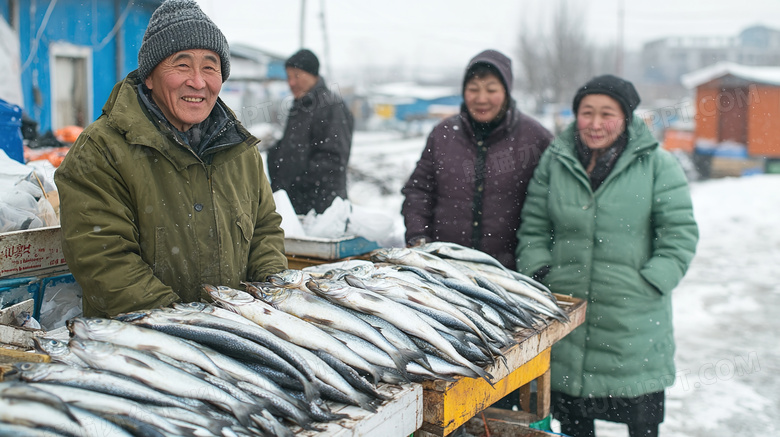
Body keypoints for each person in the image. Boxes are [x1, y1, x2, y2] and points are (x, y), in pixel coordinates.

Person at [54, 0, 287, 318]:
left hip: (238, 341)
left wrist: (269, 300)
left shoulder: (239, 150)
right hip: (141, 350)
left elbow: (265, 230)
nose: (198, 81)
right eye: (181, 65)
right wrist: (190, 325)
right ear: (149, 77)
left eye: (210, 66)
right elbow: (105, 262)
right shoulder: (101, 151)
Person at [516, 74, 699, 437]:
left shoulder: (656, 164)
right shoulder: (557, 160)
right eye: (587, 113)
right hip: (570, 317)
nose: (595, 124)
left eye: (607, 113)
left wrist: (650, 282)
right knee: (573, 425)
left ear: (628, 117)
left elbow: (679, 233)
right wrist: (541, 272)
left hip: (633, 327)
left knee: (642, 424)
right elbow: (533, 226)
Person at [401, 49, 553, 269]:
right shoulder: (443, 134)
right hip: (447, 268)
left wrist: (536, 262)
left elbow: (550, 203)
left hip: (508, 272)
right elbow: (418, 191)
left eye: (491, 90)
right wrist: (419, 237)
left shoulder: (535, 138)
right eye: (473, 89)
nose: (481, 99)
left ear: (507, 91)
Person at [267, 48, 354, 215]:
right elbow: (292, 147)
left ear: (313, 75)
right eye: (289, 77)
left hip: (321, 208)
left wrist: (296, 185)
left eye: (297, 76)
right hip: (296, 204)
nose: (291, 83)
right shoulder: (300, 106)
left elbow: (332, 160)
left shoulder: (331, 106)